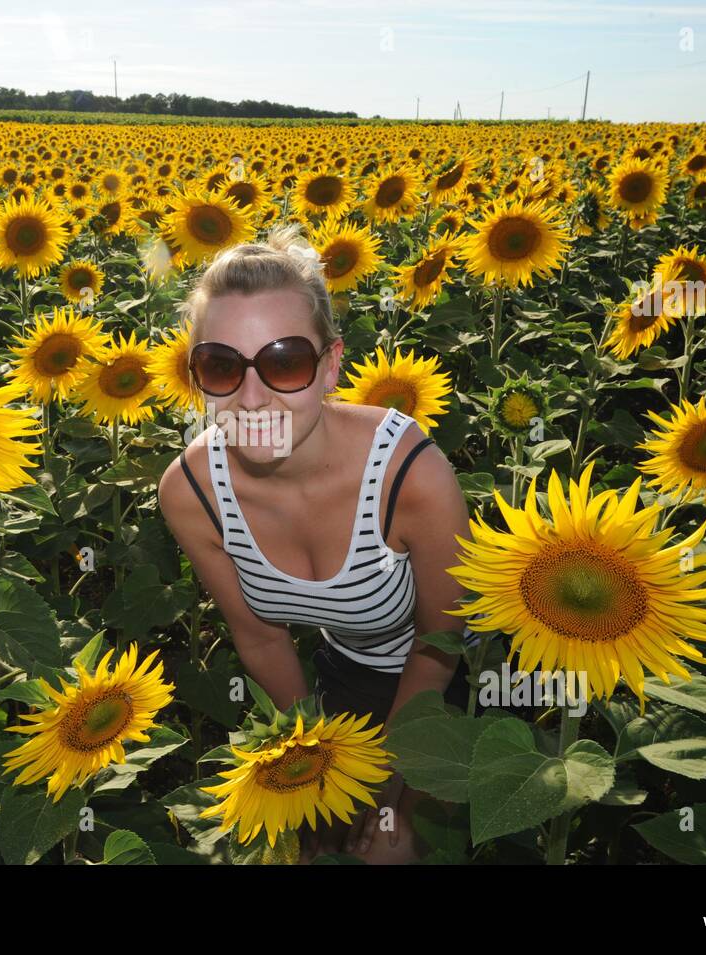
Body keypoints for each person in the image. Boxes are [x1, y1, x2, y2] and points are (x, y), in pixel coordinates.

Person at [157, 224, 480, 864]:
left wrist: (392, 789)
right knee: (304, 844)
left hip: (460, 682)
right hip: (346, 675)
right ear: (196, 377)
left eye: (284, 362)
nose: (252, 398)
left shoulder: (408, 476)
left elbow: (441, 643)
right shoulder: (192, 492)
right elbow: (261, 637)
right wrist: (318, 765)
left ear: (331, 366)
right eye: (221, 365)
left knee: (394, 848)